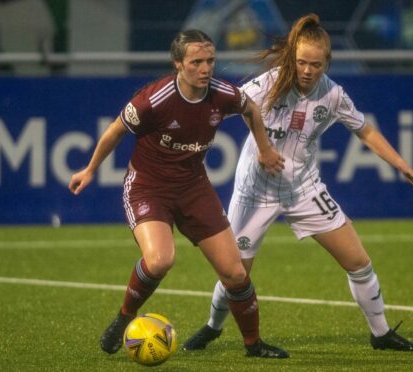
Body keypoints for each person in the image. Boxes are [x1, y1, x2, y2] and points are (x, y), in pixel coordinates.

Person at [183, 14, 413, 353]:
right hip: (255, 191)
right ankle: (212, 327)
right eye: (301, 62)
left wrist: (402, 166)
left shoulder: (332, 94)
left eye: (315, 64)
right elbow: (230, 107)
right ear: (292, 58)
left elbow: (366, 130)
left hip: (304, 189)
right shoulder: (269, 83)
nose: (307, 71)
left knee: (358, 262)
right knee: (235, 274)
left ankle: (381, 334)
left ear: (326, 63)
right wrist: (257, 146)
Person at [68, 29, 289, 359]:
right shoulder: (154, 99)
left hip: (193, 188)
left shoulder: (223, 94)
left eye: (210, 61)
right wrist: (89, 169)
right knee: (160, 260)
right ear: (178, 64)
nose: (205, 68)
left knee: (234, 272)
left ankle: (253, 344)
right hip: (148, 188)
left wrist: (265, 148)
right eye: (196, 62)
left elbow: (252, 109)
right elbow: (115, 131)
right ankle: (124, 318)